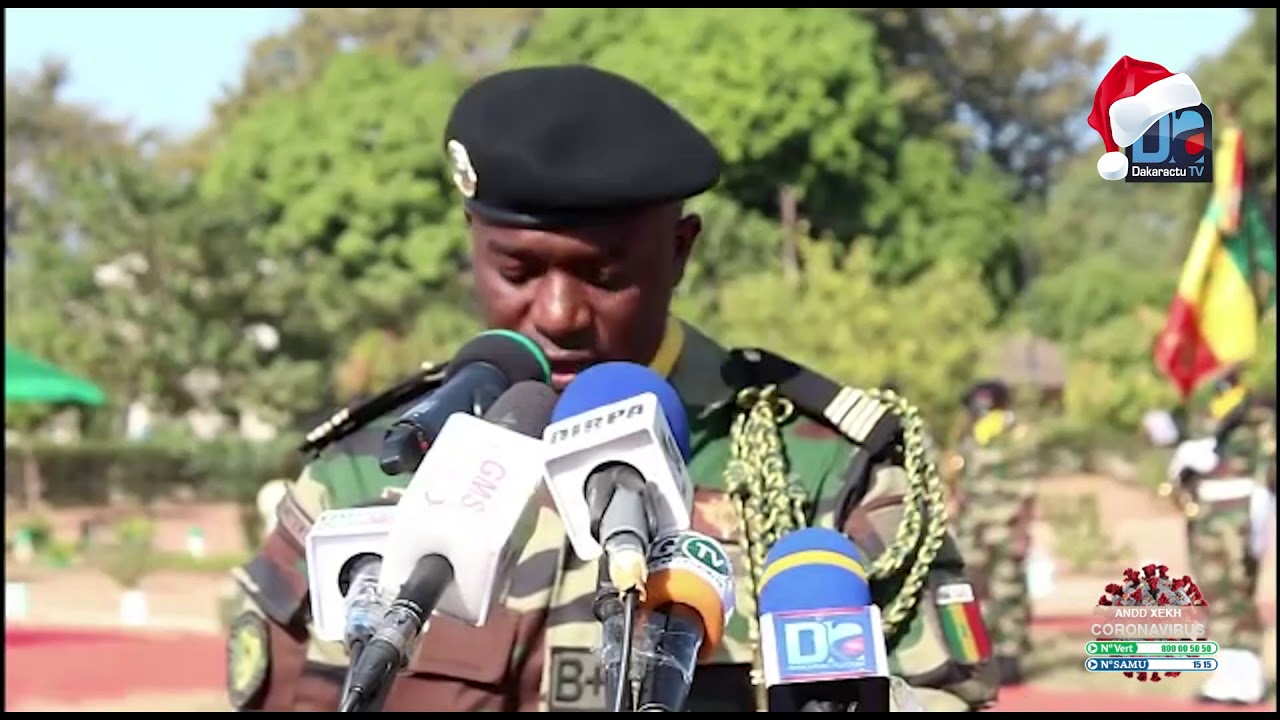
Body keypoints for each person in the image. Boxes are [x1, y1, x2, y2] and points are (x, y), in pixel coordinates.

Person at [222, 64, 999, 713]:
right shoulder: (368, 468)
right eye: (518, 271)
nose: (559, 314)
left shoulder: (818, 468)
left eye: (605, 273)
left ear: (681, 250)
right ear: (473, 246)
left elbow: (949, 694)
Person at [1172, 368, 1271, 704]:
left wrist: (1262, 504)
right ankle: (1226, 672)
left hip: (1241, 508)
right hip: (1207, 510)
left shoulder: (1257, 415)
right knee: (1213, 590)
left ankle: (1249, 673)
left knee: (1238, 591)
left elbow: (1267, 463)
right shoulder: (1209, 413)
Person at [951, 379, 1035, 686]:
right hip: (973, 529)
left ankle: (1010, 655)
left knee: (1009, 591)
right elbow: (961, 485)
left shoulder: (1015, 439)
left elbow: (1028, 491)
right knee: (974, 591)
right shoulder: (971, 438)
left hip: (1005, 527)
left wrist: (1022, 533)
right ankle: (981, 654)